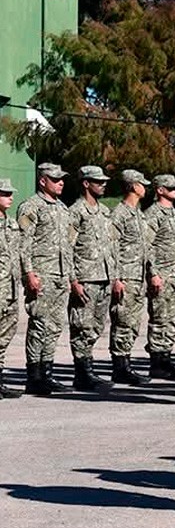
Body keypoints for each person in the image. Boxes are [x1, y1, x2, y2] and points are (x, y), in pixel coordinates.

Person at [19, 163, 74, 395]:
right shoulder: (31, 206)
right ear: (43, 181)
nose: (61, 182)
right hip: (42, 275)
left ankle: (47, 373)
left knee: (54, 326)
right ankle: (34, 376)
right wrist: (29, 273)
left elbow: (69, 244)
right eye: (55, 179)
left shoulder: (62, 208)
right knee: (39, 324)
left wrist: (70, 275)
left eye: (62, 179)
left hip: (60, 275)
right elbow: (24, 243)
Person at [66, 165, 116, 392]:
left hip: (104, 277)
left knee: (96, 326)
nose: (103, 185)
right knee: (82, 327)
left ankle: (89, 370)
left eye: (104, 182)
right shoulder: (76, 212)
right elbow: (67, 247)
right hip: (85, 278)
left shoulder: (104, 212)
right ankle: (82, 373)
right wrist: (73, 281)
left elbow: (112, 246)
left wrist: (114, 275)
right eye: (98, 182)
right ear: (86, 184)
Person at [143, 174, 175, 381]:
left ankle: (166, 358)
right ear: (160, 190)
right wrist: (153, 273)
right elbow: (147, 246)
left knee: (172, 320)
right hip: (162, 275)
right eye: (171, 188)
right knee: (160, 319)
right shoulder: (153, 214)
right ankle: (157, 362)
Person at [109, 169, 152, 385]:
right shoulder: (120, 214)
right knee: (123, 321)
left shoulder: (138, 214)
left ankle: (126, 363)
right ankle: (120, 366)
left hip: (138, 277)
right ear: (134, 186)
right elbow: (112, 247)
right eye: (142, 184)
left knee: (133, 323)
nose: (145, 188)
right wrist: (116, 278)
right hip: (125, 276)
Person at [0, 180, 22, 398]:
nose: (10, 198)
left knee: (5, 334)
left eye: (10, 194)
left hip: (11, 288)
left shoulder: (12, 223)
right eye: (5, 194)